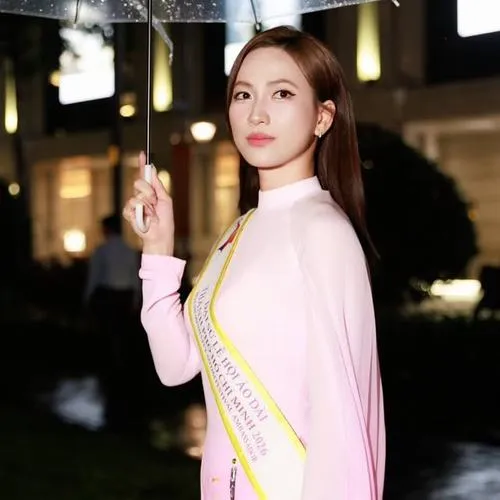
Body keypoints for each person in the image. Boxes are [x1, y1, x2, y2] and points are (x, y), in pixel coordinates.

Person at [123, 26, 385, 500]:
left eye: (282, 93)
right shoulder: (238, 232)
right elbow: (175, 365)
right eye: (243, 94)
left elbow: (340, 423)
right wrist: (158, 248)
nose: (257, 113)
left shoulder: (322, 231)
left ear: (323, 116)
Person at [84, 213, 141, 430]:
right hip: (124, 296)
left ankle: (113, 369)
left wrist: (88, 297)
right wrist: (136, 299)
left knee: (109, 333)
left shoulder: (103, 251)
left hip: (109, 296)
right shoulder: (128, 251)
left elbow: (94, 276)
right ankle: (121, 367)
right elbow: (135, 277)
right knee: (122, 333)